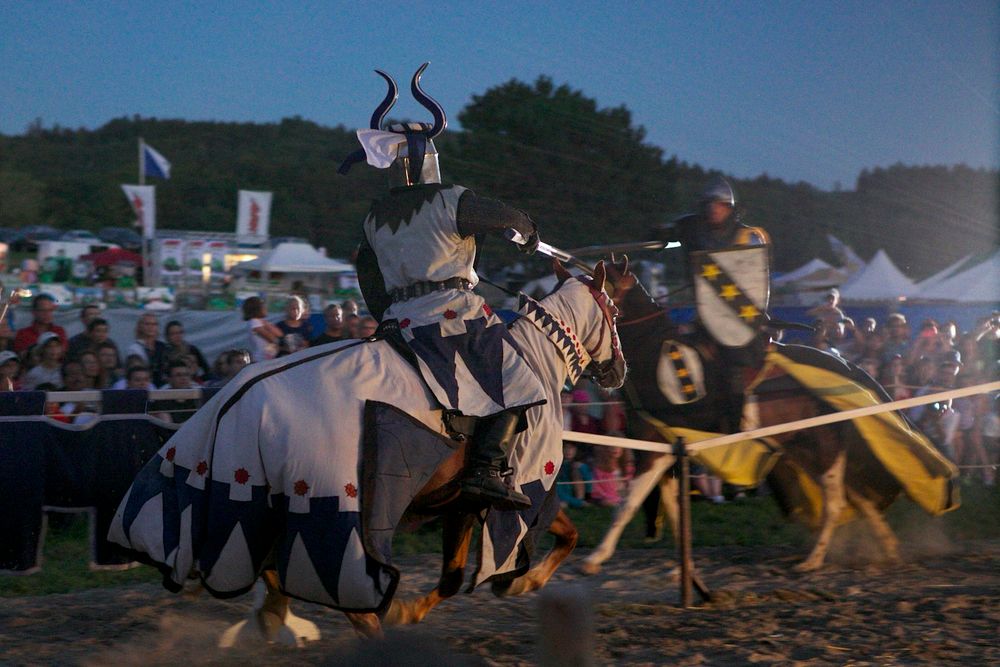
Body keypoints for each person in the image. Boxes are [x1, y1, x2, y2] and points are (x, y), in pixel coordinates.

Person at [342, 64, 546, 510]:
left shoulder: (374, 217)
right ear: (429, 161)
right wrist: (529, 232)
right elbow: (510, 218)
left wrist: (388, 318)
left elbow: (369, 281)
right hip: (453, 316)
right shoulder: (451, 199)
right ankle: (486, 471)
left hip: (398, 323)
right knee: (520, 380)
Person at [651, 177, 771, 432]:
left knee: (734, 371)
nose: (714, 209)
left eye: (720, 204)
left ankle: (736, 428)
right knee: (679, 359)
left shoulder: (748, 237)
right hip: (706, 321)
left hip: (740, 323)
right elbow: (668, 238)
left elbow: (756, 279)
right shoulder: (692, 229)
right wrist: (661, 235)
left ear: (730, 208)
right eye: (710, 204)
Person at [127, 312, 170, 386]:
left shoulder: (162, 347)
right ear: (140, 326)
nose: (151, 327)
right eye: (147, 324)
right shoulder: (134, 349)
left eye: (154, 324)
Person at [242, 296, 283, 362]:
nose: (266, 308)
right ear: (256, 309)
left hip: (268, 357)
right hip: (261, 358)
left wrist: (265, 323)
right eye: (263, 306)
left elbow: (279, 334)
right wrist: (281, 344)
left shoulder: (261, 322)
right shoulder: (254, 322)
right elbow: (270, 337)